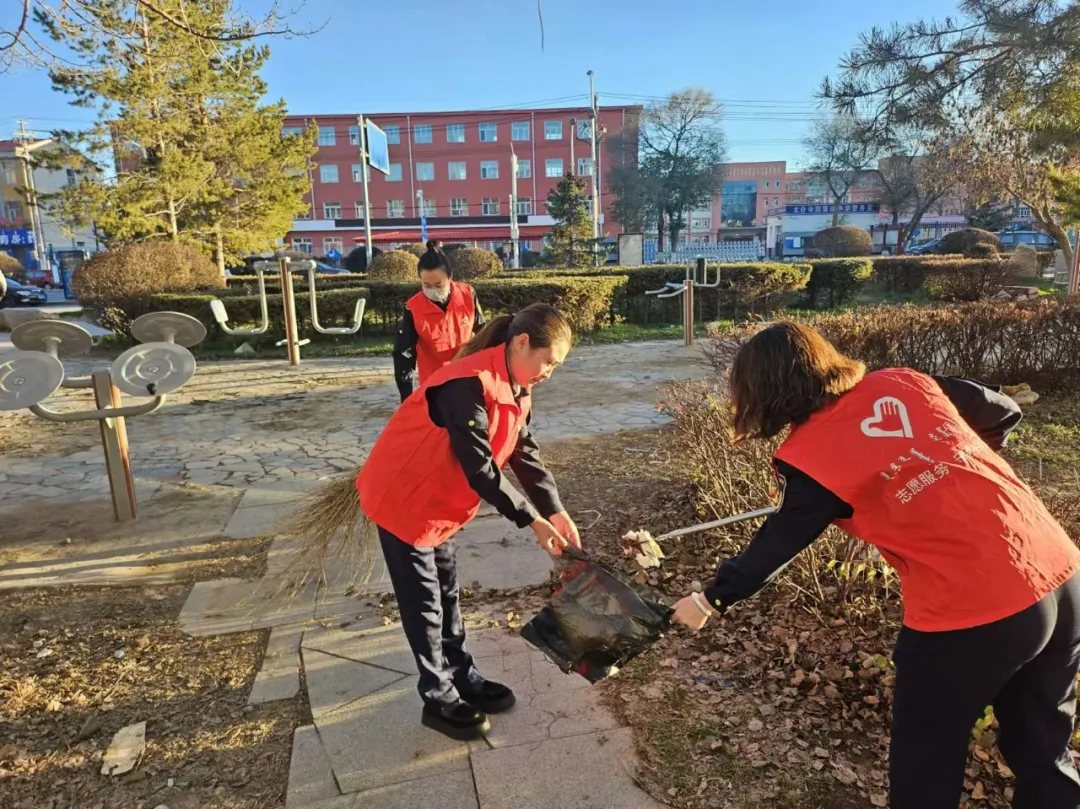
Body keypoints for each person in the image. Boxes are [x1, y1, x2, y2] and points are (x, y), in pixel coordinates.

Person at [670, 322, 1080, 809]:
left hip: (972, 605)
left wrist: (709, 601)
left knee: (926, 757)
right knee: (1043, 745)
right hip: (1059, 567)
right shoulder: (902, 382)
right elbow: (1002, 410)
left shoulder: (811, 456)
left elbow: (777, 543)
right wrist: (950, 467)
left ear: (763, 390)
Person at [357, 303, 582, 740]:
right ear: (522, 343)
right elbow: (481, 469)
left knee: (446, 591)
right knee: (424, 601)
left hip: (439, 501)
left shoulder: (516, 384)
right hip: (404, 498)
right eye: (549, 362)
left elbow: (523, 451)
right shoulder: (465, 383)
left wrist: (554, 508)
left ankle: (463, 675)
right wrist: (532, 521)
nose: (549, 373)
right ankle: (438, 696)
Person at [393, 240, 485, 402]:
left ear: (450, 277)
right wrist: (406, 397)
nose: (433, 290)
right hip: (435, 383)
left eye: (438, 284)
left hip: (468, 375)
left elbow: (482, 331)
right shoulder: (413, 308)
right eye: (427, 285)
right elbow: (404, 354)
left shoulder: (468, 294)